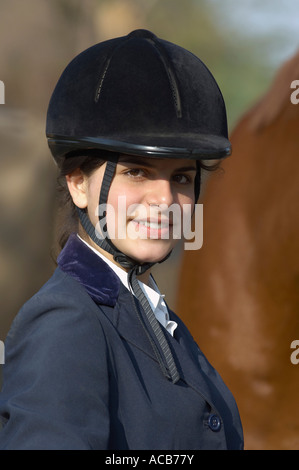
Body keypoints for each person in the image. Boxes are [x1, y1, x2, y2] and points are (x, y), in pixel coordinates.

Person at [0, 29, 243, 450]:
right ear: (77, 184)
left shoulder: (154, 314)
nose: (165, 200)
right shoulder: (65, 322)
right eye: (137, 172)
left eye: (181, 177)